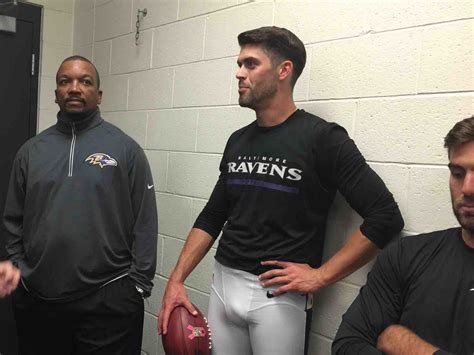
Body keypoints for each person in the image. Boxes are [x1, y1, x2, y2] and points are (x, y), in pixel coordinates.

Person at [158, 26, 404, 355]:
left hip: (277, 300)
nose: (238, 73)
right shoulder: (238, 140)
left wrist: (321, 276)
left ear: (283, 70)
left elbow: (385, 217)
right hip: (223, 286)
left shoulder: (323, 138)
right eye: (239, 64)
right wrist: (177, 278)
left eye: (250, 64)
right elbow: (213, 215)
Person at [3, 56, 158, 355]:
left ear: (99, 94)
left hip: (109, 299)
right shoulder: (31, 152)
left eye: (85, 81)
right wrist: (21, 271)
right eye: (65, 81)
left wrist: (137, 285)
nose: (75, 88)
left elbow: (145, 221)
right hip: (39, 299)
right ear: (56, 93)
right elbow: (13, 219)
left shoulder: (126, 149)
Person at [332, 116, 474, 355]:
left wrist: (410, 346)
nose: (468, 188)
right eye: (458, 173)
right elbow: (347, 345)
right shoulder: (406, 255)